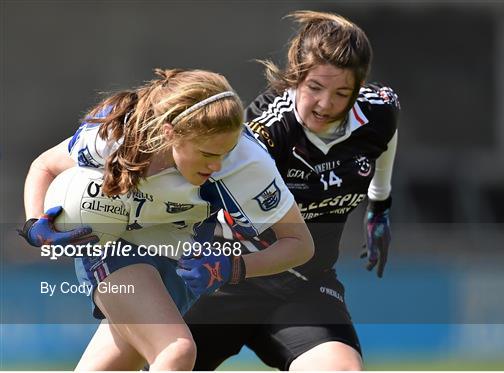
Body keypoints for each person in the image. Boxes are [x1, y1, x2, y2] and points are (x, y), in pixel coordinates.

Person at [19, 68, 314, 371]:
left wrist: (233, 268)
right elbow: (44, 165)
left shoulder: (247, 161)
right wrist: (33, 226)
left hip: (181, 258)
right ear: (170, 132)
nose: (217, 164)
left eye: (226, 152)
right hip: (114, 246)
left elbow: (299, 244)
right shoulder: (118, 134)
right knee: (176, 351)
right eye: (206, 153)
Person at [185, 11, 399, 371]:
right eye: (315, 87)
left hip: (304, 286)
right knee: (164, 361)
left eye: (342, 92)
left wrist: (380, 203)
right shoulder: (264, 132)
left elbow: (386, 138)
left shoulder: (379, 110)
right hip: (222, 279)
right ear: (295, 75)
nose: (326, 104)